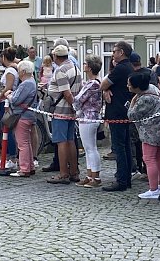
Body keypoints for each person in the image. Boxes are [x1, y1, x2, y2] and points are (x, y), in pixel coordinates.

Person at [127, 71, 160, 199]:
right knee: (159, 155)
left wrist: (132, 102)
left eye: (129, 85)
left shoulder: (144, 99)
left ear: (137, 86)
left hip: (150, 131)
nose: (127, 86)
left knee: (149, 158)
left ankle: (153, 189)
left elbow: (132, 115)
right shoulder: (153, 89)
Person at [101, 41, 135, 191]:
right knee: (125, 145)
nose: (112, 54)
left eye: (114, 51)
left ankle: (121, 180)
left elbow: (103, 84)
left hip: (117, 111)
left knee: (119, 147)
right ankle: (126, 178)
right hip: (124, 110)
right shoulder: (129, 67)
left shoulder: (120, 68)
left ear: (121, 52)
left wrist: (105, 89)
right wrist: (106, 90)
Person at [45, 44, 81, 184]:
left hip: (61, 110)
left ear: (55, 56)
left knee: (61, 142)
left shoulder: (61, 70)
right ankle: (74, 172)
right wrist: (76, 108)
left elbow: (66, 93)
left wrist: (73, 105)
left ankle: (63, 173)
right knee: (70, 140)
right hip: (71, 111)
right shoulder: (75, 68)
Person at [5, 59, 38, 177]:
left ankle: (24, 169)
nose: (18, 73)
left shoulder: (26, 83)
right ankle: (30, 166)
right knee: (27, 142)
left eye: (19, 71)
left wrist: (8, 95)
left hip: (23, 116)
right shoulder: (32, 81)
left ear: (23, 71)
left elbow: (15, 100)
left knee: (22, 143)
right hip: (28, 115)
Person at [74, 54, 103, 187]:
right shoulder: (93, 82)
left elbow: (79, 100)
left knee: (91, 148)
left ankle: (95, 176)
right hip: (87, 117)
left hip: (89, 118)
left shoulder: (93, 84)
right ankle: (89, 175)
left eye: (85, 64)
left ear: (90, 67)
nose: (84, 65)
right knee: (88, 148)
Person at [0, 47, 20, 165]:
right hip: (6, 101)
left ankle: (12, 157)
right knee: (4, 130)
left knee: (7, 129)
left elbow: (8, 87)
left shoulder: (10, 71)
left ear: (4, 58)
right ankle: (5, 156)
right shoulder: (10, 69)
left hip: (7, 102)